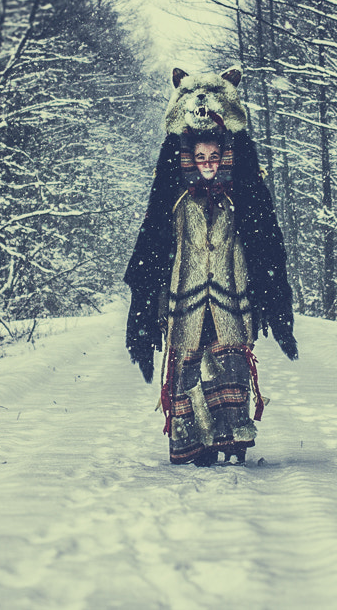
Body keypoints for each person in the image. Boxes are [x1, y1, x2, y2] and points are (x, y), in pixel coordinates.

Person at [125, 128, 297, 467]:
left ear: (224, 158)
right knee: (188, 368)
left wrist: (267, 301)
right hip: (185, 300)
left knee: (229, 366)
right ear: (190, 159)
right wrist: (155, 303)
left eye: (213, 157)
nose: (208, 164)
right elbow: (160, 252)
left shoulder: (240, 197)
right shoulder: (176, 198)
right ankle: (194, 444)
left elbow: (262, 246)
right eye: (201, 157)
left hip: (229, 299)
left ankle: (231, 440)